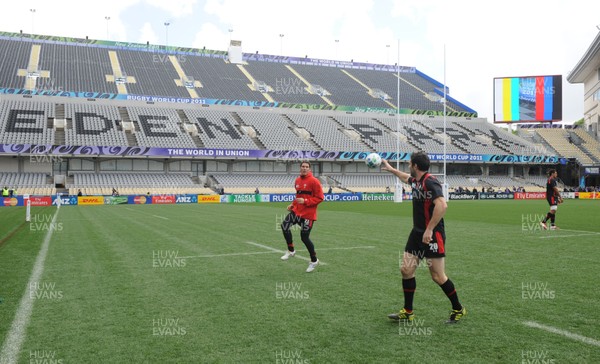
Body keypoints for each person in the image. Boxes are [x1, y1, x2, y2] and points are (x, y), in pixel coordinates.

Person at [381, 152, 466, 324]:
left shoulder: (429, 181)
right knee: (406, 270)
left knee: (437, 276)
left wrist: (429, 229)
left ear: (416, 166)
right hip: (417, 233)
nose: (408, 166)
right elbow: (405, 177)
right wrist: (391, 169)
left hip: (432, 236)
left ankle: (458, 308)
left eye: (409, 164)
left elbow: (442, 205)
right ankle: (408, 311)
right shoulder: (417, 181)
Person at [280, 161, 324, 273]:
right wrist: (293, 204)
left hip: (308, 215)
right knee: (284, 226)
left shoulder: (314, 181)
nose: (304, 168)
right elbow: (298, 196)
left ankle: (314, 261)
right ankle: (291, 250)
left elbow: (320, 198)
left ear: (309, 169)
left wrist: (305, 201)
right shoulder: (297, 180)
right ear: (300, 168)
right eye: (303, 166)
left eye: (306, 167)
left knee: (304, 238)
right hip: (297, 212)